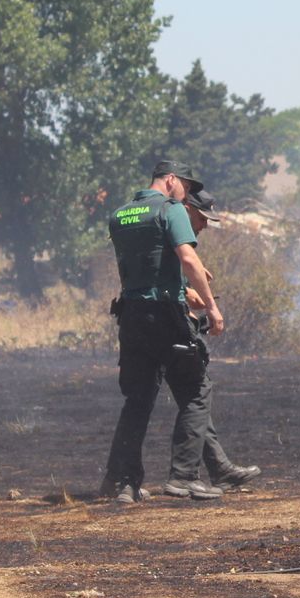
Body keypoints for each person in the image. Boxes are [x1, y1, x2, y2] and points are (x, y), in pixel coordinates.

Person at [100, 159, 222, 503]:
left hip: (131, 315)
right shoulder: (171, 210)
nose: (187, 193)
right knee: (196, 389)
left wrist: (184, 287)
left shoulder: (120, 214)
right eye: (185, 185)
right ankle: (184, 477)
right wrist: (212, 308)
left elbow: (148, 263)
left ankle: (123, 482)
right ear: (171, 180)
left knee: (137, 400)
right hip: (165, 315)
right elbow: (186, 258)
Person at [178, 188, 261, 492]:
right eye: (201, 217)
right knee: (194, 394)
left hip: (162, 322)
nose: (204, 225)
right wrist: (191, 295)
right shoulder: (171, 224)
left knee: (193, 396)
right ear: (187, 208)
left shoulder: (176, 233)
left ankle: (218, 467)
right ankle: (182, 476)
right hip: (165, 325)